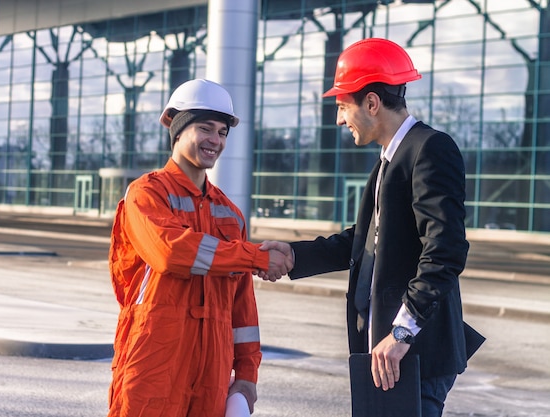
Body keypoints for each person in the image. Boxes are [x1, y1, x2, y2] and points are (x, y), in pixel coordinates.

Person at [259, 38, 481, 417]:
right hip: (389, 353)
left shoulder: (429, 149)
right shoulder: (390, 160)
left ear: (372, 103)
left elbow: (444, 251)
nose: (339, 119)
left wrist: (401, 332)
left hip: (411, 354)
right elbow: (363, 243)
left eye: (343, 107)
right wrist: (295, 255)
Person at [108, 78, 290, 417]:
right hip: (155, 360)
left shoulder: (231, 214)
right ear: (177, 130)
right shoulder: (147, 194)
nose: (216, 140)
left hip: (213, 369)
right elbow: (171, 252)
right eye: (205, 128)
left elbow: (243, 308)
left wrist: (247, 375)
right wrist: (256, 256)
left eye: (222, 132)